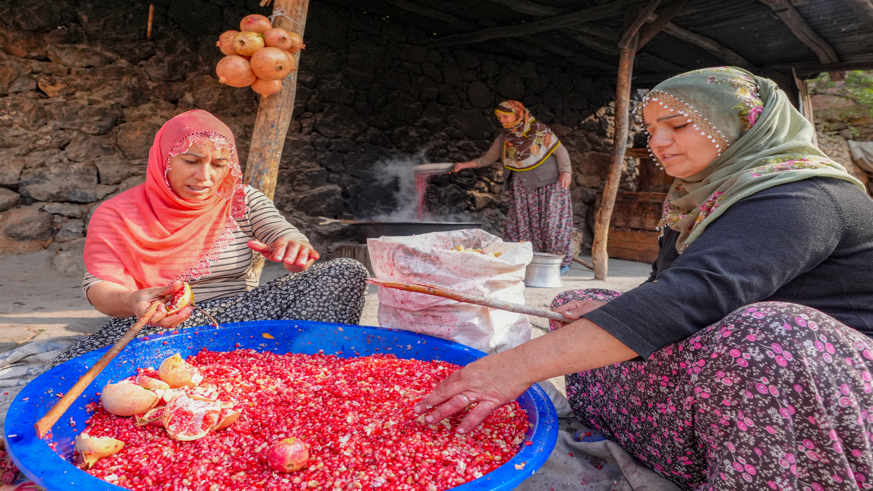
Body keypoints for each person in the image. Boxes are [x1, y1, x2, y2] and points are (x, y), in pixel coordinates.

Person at [415, 67, 873, 490]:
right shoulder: (705, 198)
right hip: (738, 373)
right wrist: (611, 310)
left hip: (826, 387)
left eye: (678, 126)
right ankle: (677, 449)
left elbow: (696, 295)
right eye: (652, 130)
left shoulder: (804, 196)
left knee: (768, 333)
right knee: (589, 306)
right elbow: (668, 286)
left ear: (743, 125)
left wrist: (511, 369)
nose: (660, 142)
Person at [52, 110, 368, 366]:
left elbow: (280, 230)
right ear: (164, 160)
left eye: (218, 164)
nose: (205, 177)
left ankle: (303, 371)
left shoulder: (241, 199)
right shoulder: (116, 213)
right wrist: (133, 301)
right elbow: (99, 286)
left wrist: (292, 246)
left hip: (244, 318)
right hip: (159, 330)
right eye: (191, 161)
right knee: (71, 370)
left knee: (347, 272)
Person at [452, 100, 574, 273]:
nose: (502, 120)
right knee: (522, 225)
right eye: (499, 117)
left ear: (518, 114)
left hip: (550, 185)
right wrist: (464, 165)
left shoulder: (539, 130)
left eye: (505, 116)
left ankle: (559, 264)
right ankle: (525, 261)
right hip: (523, 187)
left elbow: (560, 151)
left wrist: (566, 172)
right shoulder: (505, 138)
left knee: (552, 224)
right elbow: (487, 158)